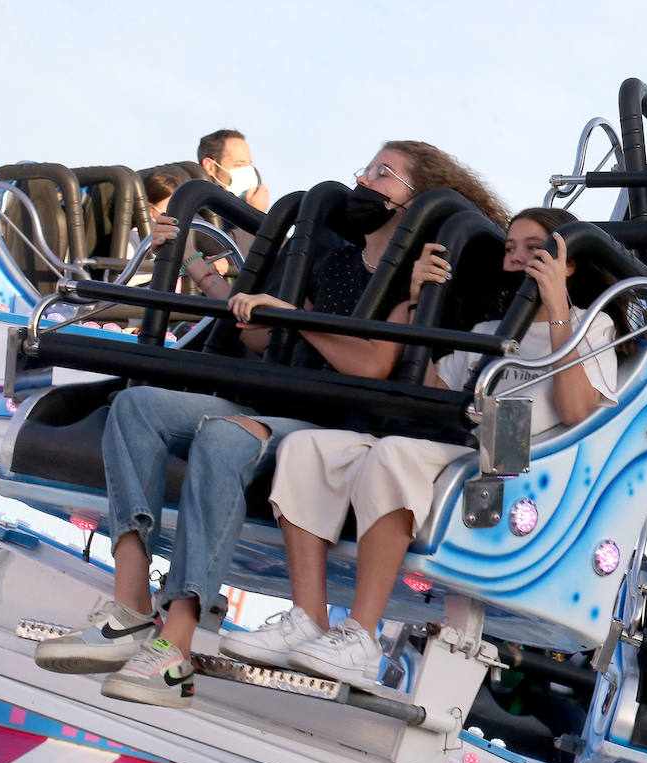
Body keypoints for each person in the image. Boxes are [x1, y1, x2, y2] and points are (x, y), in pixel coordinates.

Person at [33, 142, 509, 710]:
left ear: (418, 198)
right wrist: (204, 272)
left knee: (222, 437)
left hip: (328, 423)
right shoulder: (332, 261)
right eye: (367, 167)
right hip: (273, 401)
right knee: (137, 407)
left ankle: (175, 643)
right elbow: (264, 334)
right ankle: (131, 606)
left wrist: (291, 317)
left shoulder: (422, 276)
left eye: (384, 174)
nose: (364, 181)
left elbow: (373, 363)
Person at [215, 208, 625, 685]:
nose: (516, 260)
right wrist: (416, 302)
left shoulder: (591, 329)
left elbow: (575, 410)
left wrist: (556, 305)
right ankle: (306, 617)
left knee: (394, 455)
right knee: (307, 448)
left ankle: (361, 637)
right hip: (469, 440)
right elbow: (431, 392)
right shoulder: (488, 333)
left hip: (518, 457)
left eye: (533, 250)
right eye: (509, 249)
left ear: (565, 262)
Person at [198, 129, 269, 213]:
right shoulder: (197, 214)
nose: (248, 172)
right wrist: (254, 213)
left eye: (249, 165)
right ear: (210, 167)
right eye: (238, 165)